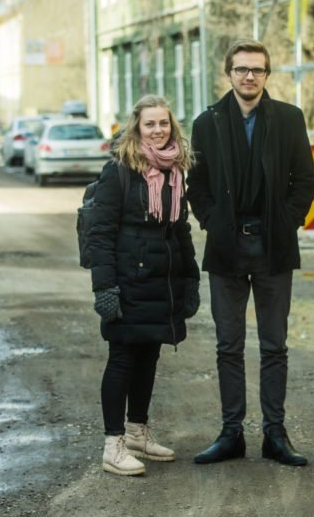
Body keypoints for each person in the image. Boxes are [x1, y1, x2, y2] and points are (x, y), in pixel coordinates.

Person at [186, 39, 314, 466]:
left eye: (257, 70)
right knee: (228, 345)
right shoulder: (207, 122)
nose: (249, 76)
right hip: (227, 246)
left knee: (274, 344)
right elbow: (197, 186)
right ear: (229, 73)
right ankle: (231, 434)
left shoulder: (288, 119)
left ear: (267, 74)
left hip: (272, 244)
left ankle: (275, 435)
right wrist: (212, 222)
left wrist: (287, 221)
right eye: (241, 69)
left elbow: (305, 182)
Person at [88, 95, 200, 476]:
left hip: (161, 282)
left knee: (149, 356)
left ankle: (137, 431)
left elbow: (180, 229)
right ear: (137, 126)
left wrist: (190, 278)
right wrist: (104, 288)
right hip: (126, 280)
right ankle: (113, 444)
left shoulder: (174, 170)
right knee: (122, 359)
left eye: (164, 123)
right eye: (150, 124)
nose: (158, 129)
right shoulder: (118, 170)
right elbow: (99, 233)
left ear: (172, 126)